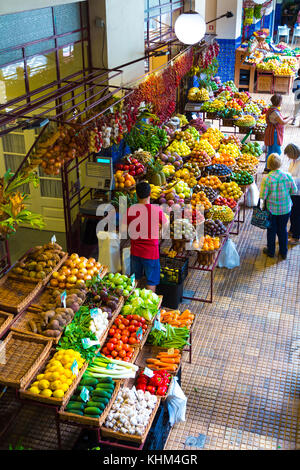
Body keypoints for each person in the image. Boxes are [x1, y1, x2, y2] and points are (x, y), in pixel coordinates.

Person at [125, 181, 167, 292]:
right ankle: (149, 306)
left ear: (137, 195)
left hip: (135, 251)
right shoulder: (156, 210)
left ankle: (134, 299)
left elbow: (125, 229)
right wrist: (160, 234)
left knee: (136, 278)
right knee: (151, 280)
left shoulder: (131, 211)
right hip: (151, 252)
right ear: (149, 194)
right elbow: (166, 224)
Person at [260, 153, 298, 259]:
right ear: (280, 163)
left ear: (269, 165)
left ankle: (271, 251)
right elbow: (294, 190)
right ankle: (283, 252)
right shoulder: (288, 175)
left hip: (271, 210)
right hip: (286, 209)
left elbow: (263, 195)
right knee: (282, 229)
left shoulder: (267, 179)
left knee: (271, 230)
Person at [264, 94, 293, 172]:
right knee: (277, 151)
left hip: (271, 132)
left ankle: (267, 167)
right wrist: (290, 118)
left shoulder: (272, 109)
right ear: (279, 102)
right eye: (281, 101)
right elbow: (282, 122)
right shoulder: (275, 112)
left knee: (270, 151)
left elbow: (278, 120)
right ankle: (273, 168)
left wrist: (285, 118)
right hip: (274, 133)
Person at [284, 143, 300, 244]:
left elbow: (298, 179)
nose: (288, 158)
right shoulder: (294, 160)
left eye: (289, 155)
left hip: (298, 193)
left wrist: (288, 178)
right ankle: (292, 230)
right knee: (293, 213)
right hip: (293, 192)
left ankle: (296, 237)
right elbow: (290, 172)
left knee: (297, 215)